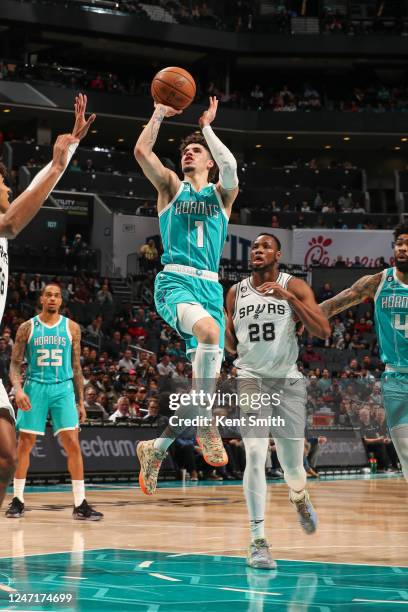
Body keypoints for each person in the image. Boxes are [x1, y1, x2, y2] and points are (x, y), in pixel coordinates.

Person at [134, 96, 238, 495]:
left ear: (208, 160)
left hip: (209, 287)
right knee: (212, 334)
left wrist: (208, 129)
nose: (188, 155)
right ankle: (207, 423)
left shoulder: (222, 196)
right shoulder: (171, 188)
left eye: (196, 151)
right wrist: (159, 111)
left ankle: (156, 449)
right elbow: (143, 151)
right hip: (176, 281)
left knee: (200, 386)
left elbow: (230, 168)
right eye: (186, 151)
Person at [0, 93, 94, 511]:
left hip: (56, 387)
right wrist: (57, 163)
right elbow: (14, 220)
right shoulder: (1, 225)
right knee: (14, 448)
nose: (6, 186)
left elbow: (34, 189)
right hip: (35, 384)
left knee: (5, 456)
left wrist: (68, 150)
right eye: (1, 182)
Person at [225, 233, 330, 569]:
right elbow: (231, 344)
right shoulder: (235, 292)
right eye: (254, 247)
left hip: (287, 380)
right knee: (255, 455)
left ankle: (299, 495)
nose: (258, 250)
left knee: (293, 467)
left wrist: (290, 300)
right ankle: (257, 541)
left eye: (265, 246)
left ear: (278, 254)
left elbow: (323, 330)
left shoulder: (294, 285)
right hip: (251, 378)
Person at [6, 283, 103, 520]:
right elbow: (15, 364)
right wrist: (17, 389)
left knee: (72, 443)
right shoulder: (26, 328)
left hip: (63, 388)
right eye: (48, 295)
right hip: (35, 387)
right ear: (41, 298)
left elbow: (77, 367)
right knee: (25, 443)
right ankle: (17, 499)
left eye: (56, 296)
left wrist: (81, 401)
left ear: (61, 301)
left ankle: (80, 504)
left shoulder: (72, 327)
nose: (52, 299)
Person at [320, 224, 408, 483]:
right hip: (396, 379)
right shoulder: (379, 282)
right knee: (405, 452)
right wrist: (303, 316)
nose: (403, 247)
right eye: (399, 242)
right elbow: (338, 301)